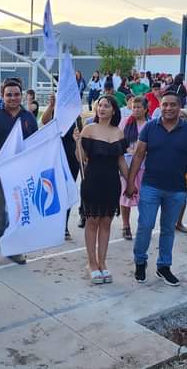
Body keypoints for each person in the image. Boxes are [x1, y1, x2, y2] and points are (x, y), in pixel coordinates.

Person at [126, 91, 187, 286]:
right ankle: (140, 262)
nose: (168, 108)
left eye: (173, 105)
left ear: (179, 107)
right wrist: (130, 183)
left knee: (168, 229)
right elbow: (138, 155)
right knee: (145, 226)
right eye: (165, 105)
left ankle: (164, 266)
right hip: (150, 187)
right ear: (160, 107)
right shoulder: (150, 127)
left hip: (177, 190)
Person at [0, 80, 38, 268]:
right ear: (2, 96)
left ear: (22, 96)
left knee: (17, 213)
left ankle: (14, 249)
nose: (13, 98)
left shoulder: (29, 118)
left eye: (16, 94)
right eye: (9, 95)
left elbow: (34, 146)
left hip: (20, 175)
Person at [75, 96, 129, 284]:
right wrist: (77, 141)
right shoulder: (89, 129)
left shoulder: (118, 132)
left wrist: (131, 182)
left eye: (106, 105)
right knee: (92, 222)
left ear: (114, 110)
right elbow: (81, 158)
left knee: (106, 223)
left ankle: (102, 263)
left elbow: (121, 161)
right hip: (92, 181)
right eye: (100, 105)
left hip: (112, 183)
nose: (102, 108)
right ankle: (91, 263)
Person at [41, 93, 82, 240]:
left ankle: (63, 226)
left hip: (72, 160)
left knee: (67, 192)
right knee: (53, 192)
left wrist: (78, 136)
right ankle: (51, 224)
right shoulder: (56, 112)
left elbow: (80, 136)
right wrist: (51, 106)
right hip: (55, 159)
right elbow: (44, 121)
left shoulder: (76, 117)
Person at [119, 97, 149, 240]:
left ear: (145, 109)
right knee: (125, 195)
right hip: (126, 165)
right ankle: (126, 225)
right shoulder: (125, 122)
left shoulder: (150, 125)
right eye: (134, 107)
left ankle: (143, 226)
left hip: (144, 166)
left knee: (144, 197)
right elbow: (118, 140)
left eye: (139, 107)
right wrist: (127, 149)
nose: (136, 110)